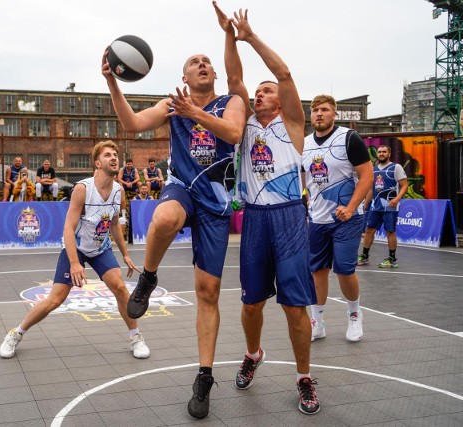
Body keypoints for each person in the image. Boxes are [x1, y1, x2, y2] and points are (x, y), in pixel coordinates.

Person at [103, 39, 246, 419]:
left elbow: (233, 134)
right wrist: (113, 83)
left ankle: (204, 377)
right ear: (183, 76)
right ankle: (148, 278)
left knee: (209, 292)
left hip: (215, 198)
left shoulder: (230, 101)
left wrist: (194, 113)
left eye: (206, 61)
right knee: (164, 218)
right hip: (182, 185)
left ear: (213, 74)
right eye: (193, 62)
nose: (201, 64)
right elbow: (132, 123)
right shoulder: (172, 105)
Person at [214, 2, 319, 415]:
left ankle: (304, 377)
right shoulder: (245, 124)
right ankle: (253, 353)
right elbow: (234, 77)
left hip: (291, 216)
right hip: (255, 219)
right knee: (251, 303)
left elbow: (285, 74)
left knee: (295, 306)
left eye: (266, 91)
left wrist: (250, 35)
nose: (259, 94)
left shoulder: (292, 123)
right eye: (257, 92)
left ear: (280, 100)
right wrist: (228, 33)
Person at [0, 141, 151, 360]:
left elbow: (115, 224)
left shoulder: (119, 191)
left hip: (100, 247)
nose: (114, 157)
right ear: (98, 163)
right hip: (76, 248)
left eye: (115, 154)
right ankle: (16, 333)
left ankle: (136, 337)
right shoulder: (83, 189)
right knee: (55, 299)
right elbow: (68, 229)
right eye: (108, 155)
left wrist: (125, 254)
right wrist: (74, 263)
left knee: (119, 287)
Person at [301, 94, 373, 343]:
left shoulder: (349, 138)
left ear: (334, 113)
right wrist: (305, 200)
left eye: (324, 110)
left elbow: (366, 176)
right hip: (317, 219)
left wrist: (352, 207)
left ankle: (354, 315)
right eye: (315, 110)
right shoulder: (304, 143)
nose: (319, 114)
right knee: (317, 272)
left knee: (344, 269)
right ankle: (317, 321)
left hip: (347, 217)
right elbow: (304, 177)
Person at [357, 145, 408, 268]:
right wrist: (366, 203)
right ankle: (364, 257)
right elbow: (370, 189)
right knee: (369, 230)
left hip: (390, 206)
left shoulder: (396, 167)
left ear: (389, 154)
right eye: (379, 152)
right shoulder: (373, 170)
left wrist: (397, 199)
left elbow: (404, 185)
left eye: (384, 152)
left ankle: (392, 259)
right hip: (376, 206)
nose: (381, 154)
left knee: (390, 231)